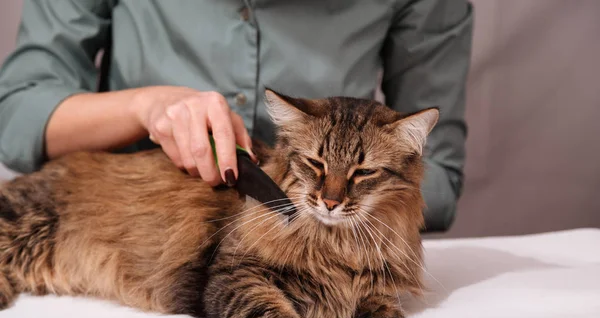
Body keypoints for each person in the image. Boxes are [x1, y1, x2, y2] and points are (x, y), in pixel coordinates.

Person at [0, 0, 473, 232]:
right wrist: (144, 106)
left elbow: (439, 178)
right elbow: (17, 110)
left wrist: (329, 200)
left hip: (313, 254)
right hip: (128, 229)